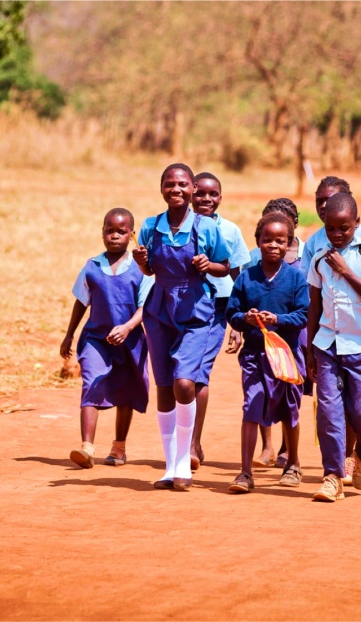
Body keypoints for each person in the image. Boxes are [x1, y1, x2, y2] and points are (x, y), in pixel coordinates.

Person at [134, 163, 231, 491]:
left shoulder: (206, 228)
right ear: (161, 188)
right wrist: (141, 262)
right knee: (163, 386)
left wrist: (209, 265)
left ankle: (186, 457)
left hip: (195, 308)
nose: (176, 190)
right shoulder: (150, 225)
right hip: (159, 309)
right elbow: (149, 271)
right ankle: (171, 466)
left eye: (182, 185)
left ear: (192, 189)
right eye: (169, 184)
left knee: (185, 384)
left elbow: (226, 267)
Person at [301, 176, 361, 484]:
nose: (337, 233)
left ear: (356, 223)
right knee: (328, 411)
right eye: (331, 227)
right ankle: (332, 475)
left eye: (344, 228)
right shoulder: (316, 251)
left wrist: (346, 271)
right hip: (328, 341)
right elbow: (313, 302)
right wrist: (310, 349)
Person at [60, 208, 152, 469]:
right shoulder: (92, 266)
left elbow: (145, 307)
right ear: (102, 232)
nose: (114, 236)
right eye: (109, 230)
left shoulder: (141, 270)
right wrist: (69, 334)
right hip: (96, 339)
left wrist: (127, 327)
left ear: (131, 235)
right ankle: (87, 447)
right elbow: (81, 302)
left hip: (130, 341)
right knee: (91, 383)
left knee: (126, 391)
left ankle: (119, 448)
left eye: (121, 232)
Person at [226, 212, 309, 493]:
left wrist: (278, 320)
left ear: (289, 244)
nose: (273, 245)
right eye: (267, 239)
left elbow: (303, 316)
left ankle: (293, 464)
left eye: (280, 240)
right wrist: (244, 318)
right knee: (252, 406)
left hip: (286, 356)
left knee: (290, 409)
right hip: (254, 356)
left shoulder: (296, 279)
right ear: (257, 242)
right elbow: (231, 312)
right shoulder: (246, 278)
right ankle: (245, 473)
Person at [190, 172, 250, 470]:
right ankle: (186, 440)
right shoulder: (176, 227)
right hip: (181, 308)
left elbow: (240, 278)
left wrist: (238, 323)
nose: (205, 199)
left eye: (212, 194)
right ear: (189, 194)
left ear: (221, 198)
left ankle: (192, 442)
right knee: (180, 375)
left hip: (218, 306)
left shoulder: (230, 229)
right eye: (199, 193)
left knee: (199, 372)